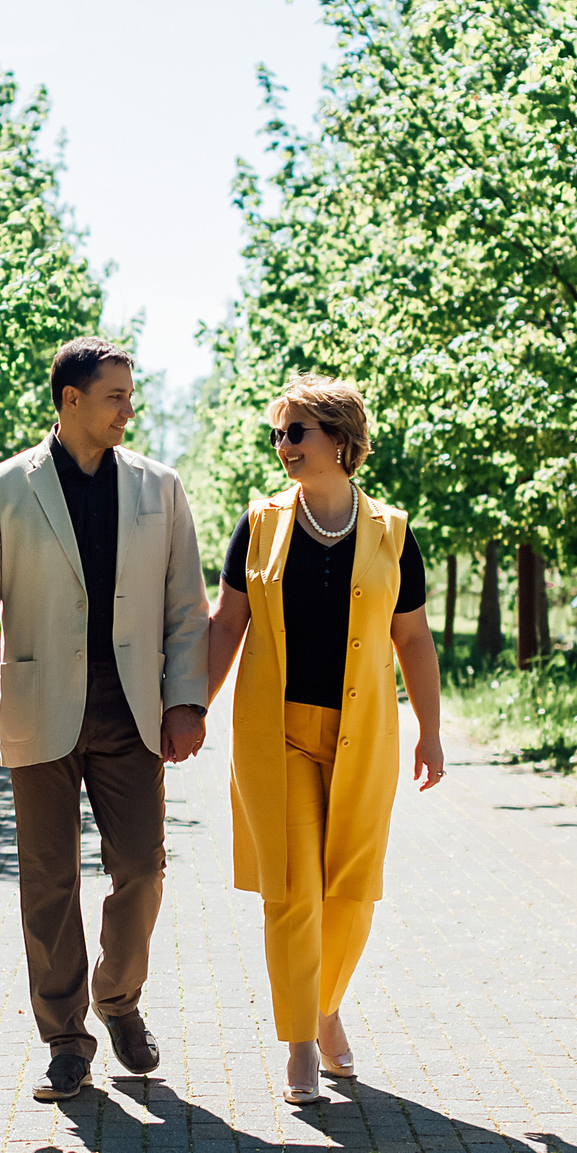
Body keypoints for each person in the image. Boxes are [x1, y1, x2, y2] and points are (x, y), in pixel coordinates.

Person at [0, 337, 213, 1102]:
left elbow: (184, 607)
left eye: (130, 394)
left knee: (141, 866)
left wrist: (185, 700)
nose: (129, 408)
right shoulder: (1, 489)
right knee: (48, 880)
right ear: (71, 400)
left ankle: (118, 997)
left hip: (132, 708)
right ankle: (67, 1038)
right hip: (37, 705)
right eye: (116, 396)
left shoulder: (160, 489)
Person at [204, 375, 445, 1104]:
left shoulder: (391, 532)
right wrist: (187, 710)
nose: (283, 446)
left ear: (341, 440)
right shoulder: (259, 523)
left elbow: (413, 636)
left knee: (351, 893)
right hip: (276, 735)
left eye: (296, 432)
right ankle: (302, 1043)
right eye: (277, 433)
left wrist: (430, 729)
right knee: (294, 891)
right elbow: (226, 624)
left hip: (361, 736)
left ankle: (325, 1001)